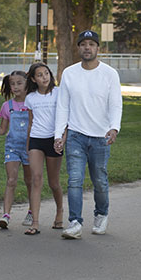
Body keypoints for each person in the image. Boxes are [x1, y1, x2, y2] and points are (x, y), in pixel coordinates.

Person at [54, 30, 123, 239]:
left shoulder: (110, 74)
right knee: (74, 180)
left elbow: (115, 105)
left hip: (101, 137)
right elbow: (62, 107)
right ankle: (75, 222)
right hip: (76, 135)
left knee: (99, 180)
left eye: (91, 44)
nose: (87, 48)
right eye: (83, 44)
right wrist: (59, 134)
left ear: (97, 48)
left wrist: (114, 128)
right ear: (78, 48)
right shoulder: (69, 73)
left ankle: (101, 214)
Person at [23, 62, 65, 235]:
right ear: (33, 79)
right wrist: (28, 144)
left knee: (53, 183)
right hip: (36, 140)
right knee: (36, 179)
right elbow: (30, 122)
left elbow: (65, 119)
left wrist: (62, 138)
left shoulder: (59, 93)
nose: (44, 77)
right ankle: (35, 223)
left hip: (54, 140)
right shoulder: (30, 98)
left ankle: (60, 211)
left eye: (46, 73)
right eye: (39, 75)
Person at [0, 70, 34, 230]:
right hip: (12, 148)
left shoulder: (32, 103)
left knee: (30, 182)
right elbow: (2, 130)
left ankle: (31, 211)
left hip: (30, 149)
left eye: (19, 83)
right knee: (11, 180)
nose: (15, 87)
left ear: (27, 84)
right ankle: (6, 215)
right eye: (12, 84)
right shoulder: (7, 106)